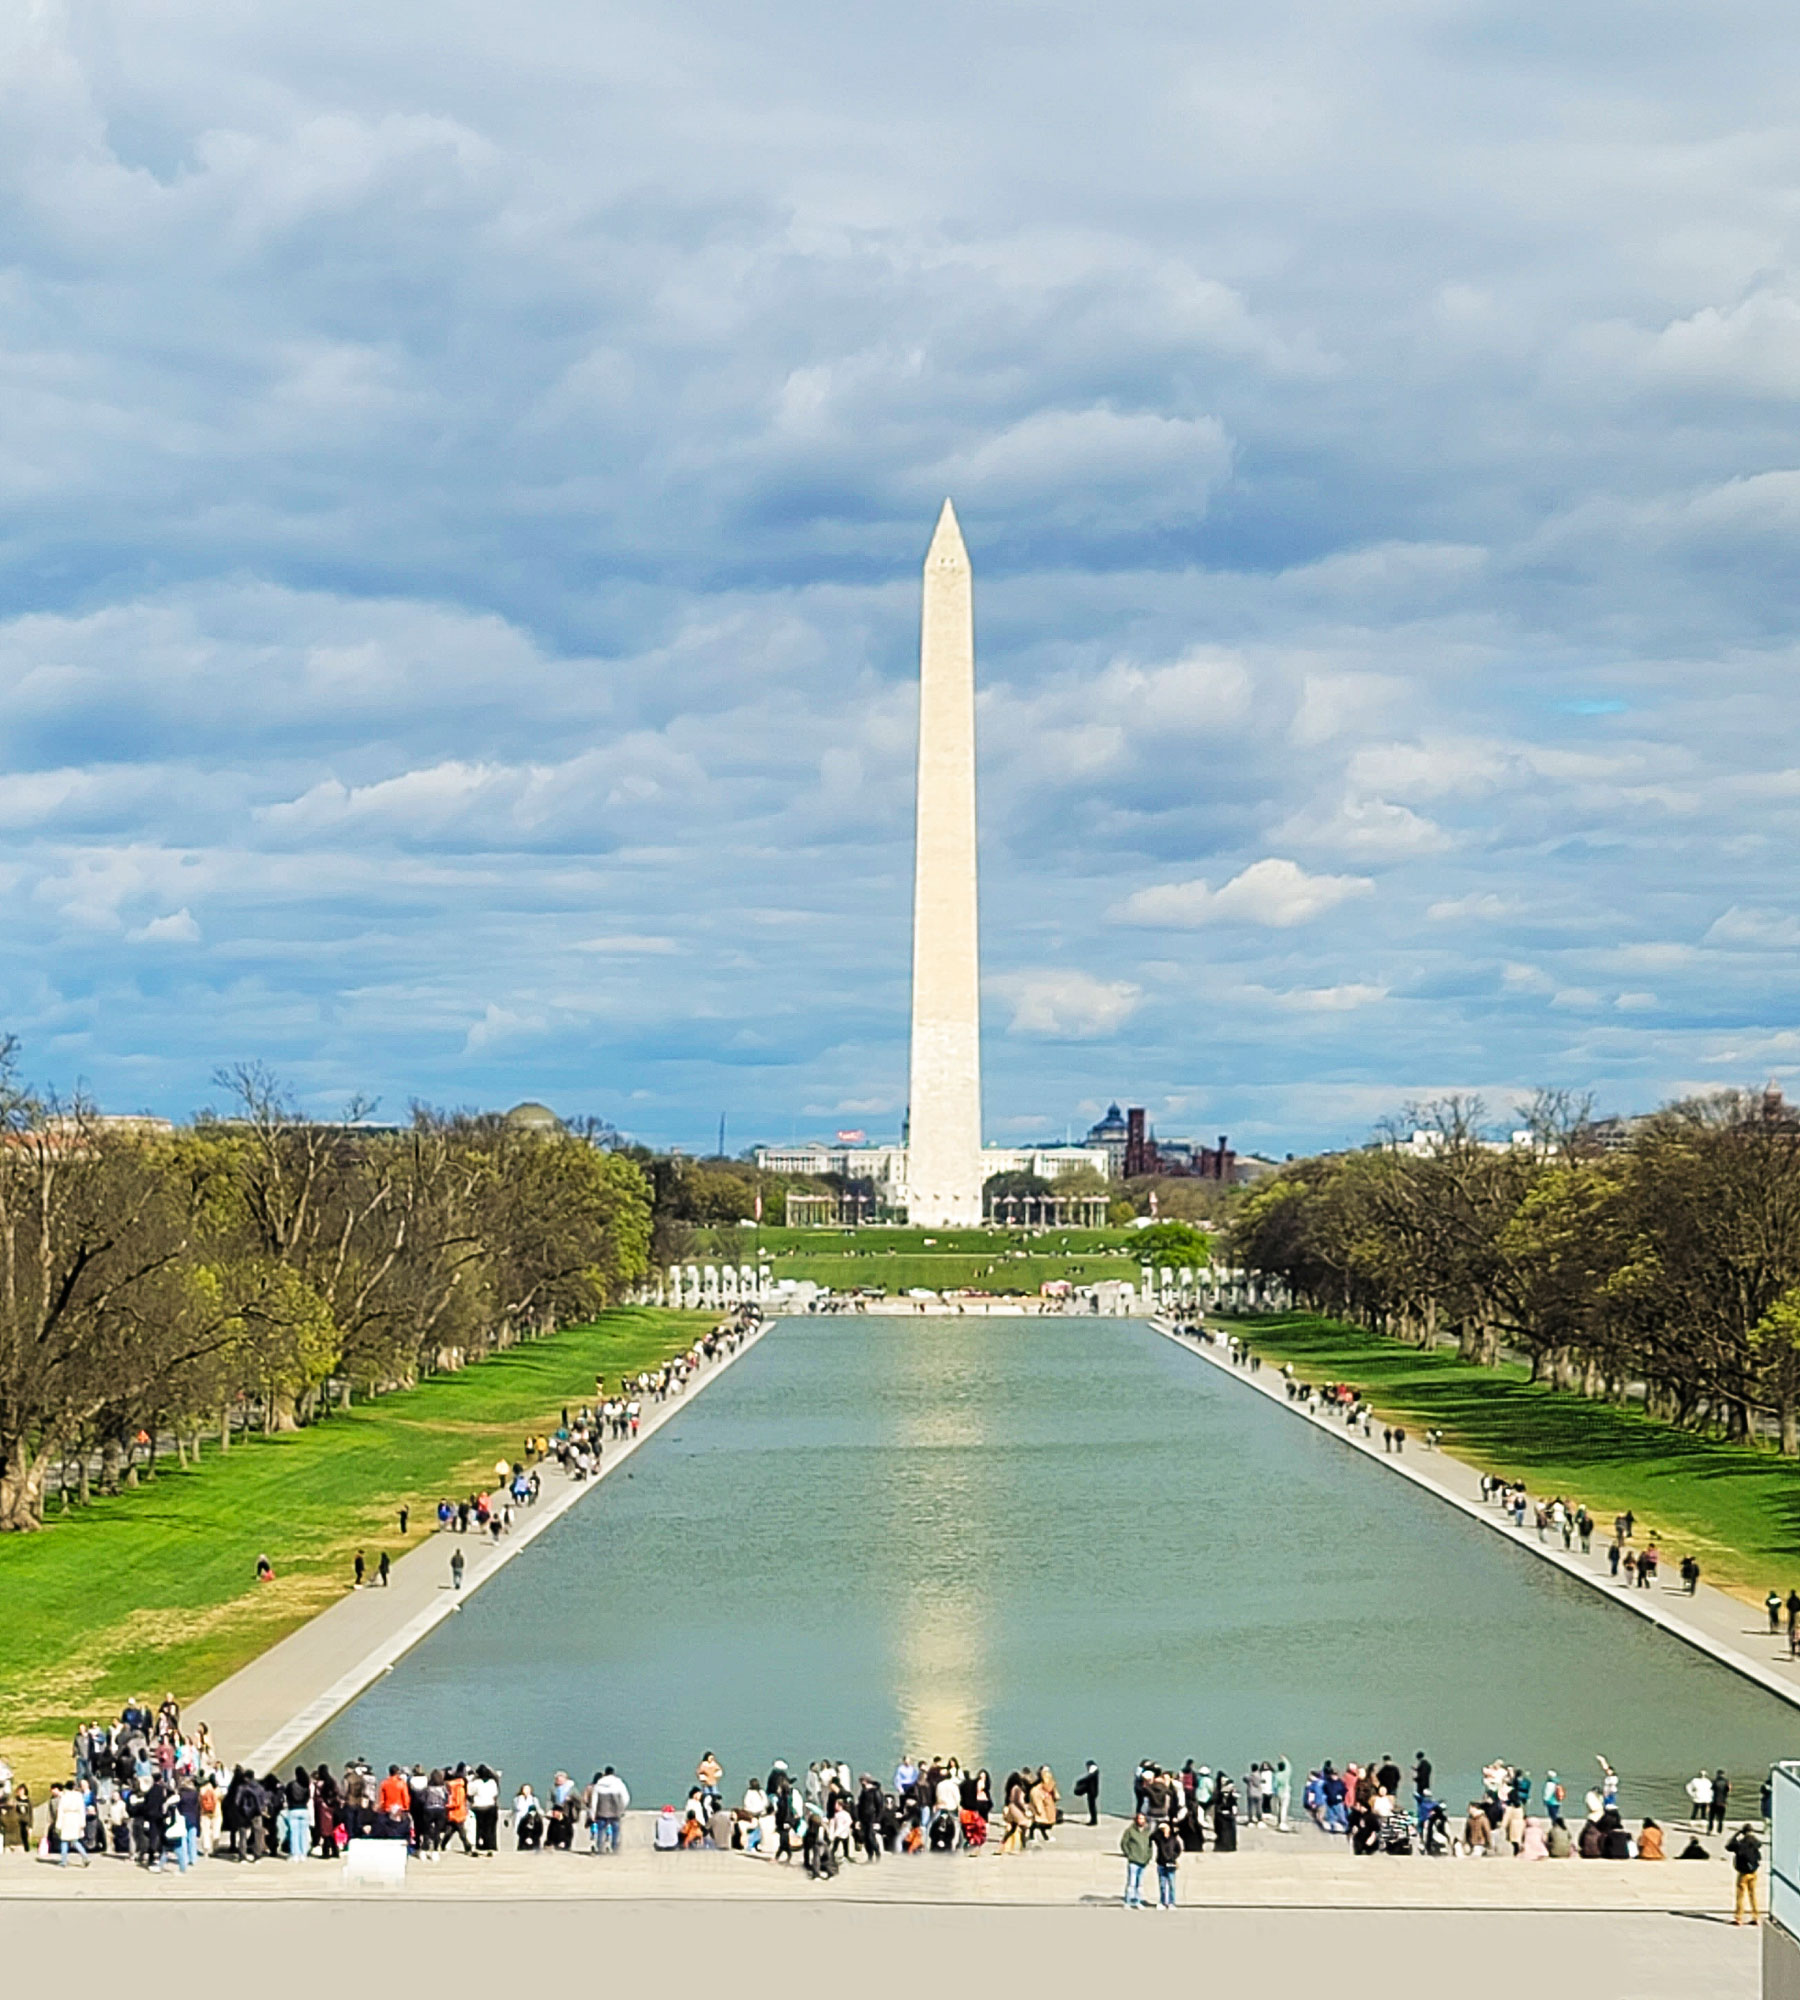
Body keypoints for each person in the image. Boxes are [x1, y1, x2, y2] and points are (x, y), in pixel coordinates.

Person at [1727, 1823, 1762, 1926]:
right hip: (1753, 1871)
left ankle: (1738, 1917)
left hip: (1743, 1873)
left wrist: (1737, 1834)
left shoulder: (1741, 1844)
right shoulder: (1755, 1842)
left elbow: (1728, 1846)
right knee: (1753, 1895)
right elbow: (1759, 1845)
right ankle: (1755, 1917)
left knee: (1740, 1895)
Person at [1120, 1812, 1152, 1908]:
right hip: (1133, 1860)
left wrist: (1148, 1856)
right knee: (1132, 1882)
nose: (1141, 1821)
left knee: (1140, 1883)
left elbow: (1149, 1846)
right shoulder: (1130, 1831)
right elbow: (1124, 1843)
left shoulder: (1147, 1832)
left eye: (1142, 1819)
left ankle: (1138, 1901)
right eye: (1139, 1819)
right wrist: (1129, 1854)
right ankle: (1128, 1901)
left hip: (1143, 1860)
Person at [1152, 1818, 1181, 1908]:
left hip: (1171, 1863)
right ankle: (1163, 1901)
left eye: (1166, 1828)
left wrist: (1173, 1857)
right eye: (1163, 1829)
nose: (1165, 1830)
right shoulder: (1159, 1838)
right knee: (1162, 1885)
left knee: (1171, 1884)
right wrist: (1159, 1828)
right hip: (1161, 1863)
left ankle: (1171, 1902)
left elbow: (1178, 1849)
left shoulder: (1173, 1839)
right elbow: (1152, 1836)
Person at [1074, 1761, 1100, 1826]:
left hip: (1092, 1792)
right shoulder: (1094, 1772)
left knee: (1092, 1807)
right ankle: (1093, 1820)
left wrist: (1079, 1781)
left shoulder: (1093, 1773)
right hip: (1092, 1792)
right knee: (1091, 1806)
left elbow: (1087, 1779)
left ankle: (1094, 1821)